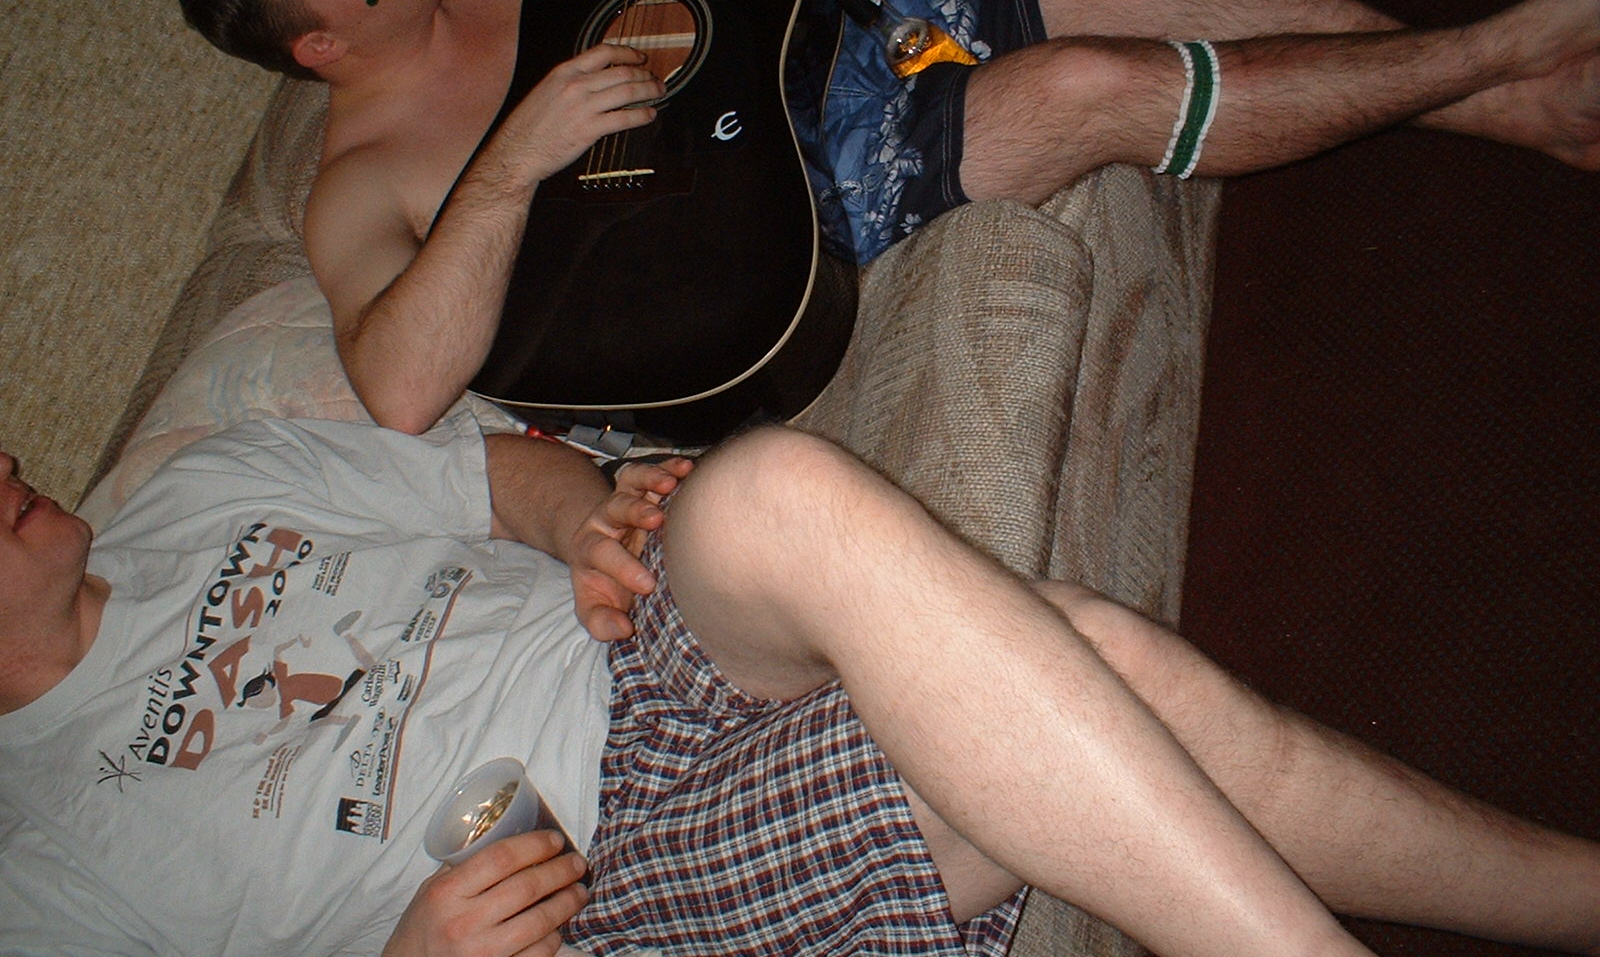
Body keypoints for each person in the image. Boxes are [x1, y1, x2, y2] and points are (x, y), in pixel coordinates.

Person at [171, 0, 1600, 436]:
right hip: (791, 203)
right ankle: (1503, 50)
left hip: (837, 47)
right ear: (315, 45)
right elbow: (401, 388)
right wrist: (513, 167)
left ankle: (1509, 107)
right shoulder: (358, 182)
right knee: (1088, 87)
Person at [2, 409, 1598, 957]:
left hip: (642, 656)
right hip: (596, 880)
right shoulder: (38, 871)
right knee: (1100, 669)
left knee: (768, 485)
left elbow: (489, 472)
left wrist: (587, 519)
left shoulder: (201, 488)